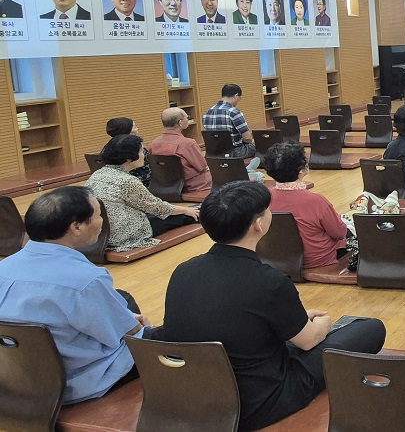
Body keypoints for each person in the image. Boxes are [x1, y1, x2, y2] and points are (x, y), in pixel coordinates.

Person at [157, 181, 386, 431]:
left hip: (196, 394)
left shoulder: (183, 270)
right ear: (259, 224)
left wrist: (295, 320)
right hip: (258, 402)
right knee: (369, 328)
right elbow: (308, 341)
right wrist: (323, 324)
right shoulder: (269, 280)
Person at [0, 187, 154, 404]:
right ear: (76, 227)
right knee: (153, 336)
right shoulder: (87, 280)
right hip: (72, 382)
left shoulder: (3, 268)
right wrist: (134, 324)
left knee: (122, 299)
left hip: (14, 376)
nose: (102, 221)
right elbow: (120, 334)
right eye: (99, 214)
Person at [85, 134, 200, 251]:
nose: (144, 155)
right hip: (125, 234)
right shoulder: (128, 181)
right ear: (129, 158)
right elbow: (156, 207)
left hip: (103, 232)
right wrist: (186, 210)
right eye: (140, 151)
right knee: (185, 216)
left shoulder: (97, 174)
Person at [264, 141, 349, 269]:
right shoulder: (316, 201)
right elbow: (339, 232)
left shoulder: (262, 199)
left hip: (276, 258)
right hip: (317, 260)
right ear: (301, 169)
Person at [202, 83, 263, 173]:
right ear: (236, 96)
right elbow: (247, 138)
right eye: (239, 98)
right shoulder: (234, 112)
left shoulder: (207, 112)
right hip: (234, 152)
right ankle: (248, 169)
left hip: (213, 152)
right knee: (262, 144)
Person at [149, 107, 212, 193]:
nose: (188, 119)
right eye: (187, 117)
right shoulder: (188, 144)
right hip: (191, 186)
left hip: (166, 185)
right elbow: (202, 166)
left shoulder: (153, 144)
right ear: (180, 123)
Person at [105, 117, 151, 187]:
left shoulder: (106, 147)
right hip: (138, 184)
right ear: (127, 130)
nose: (137, 129)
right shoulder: (135, 148)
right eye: (134, 127)